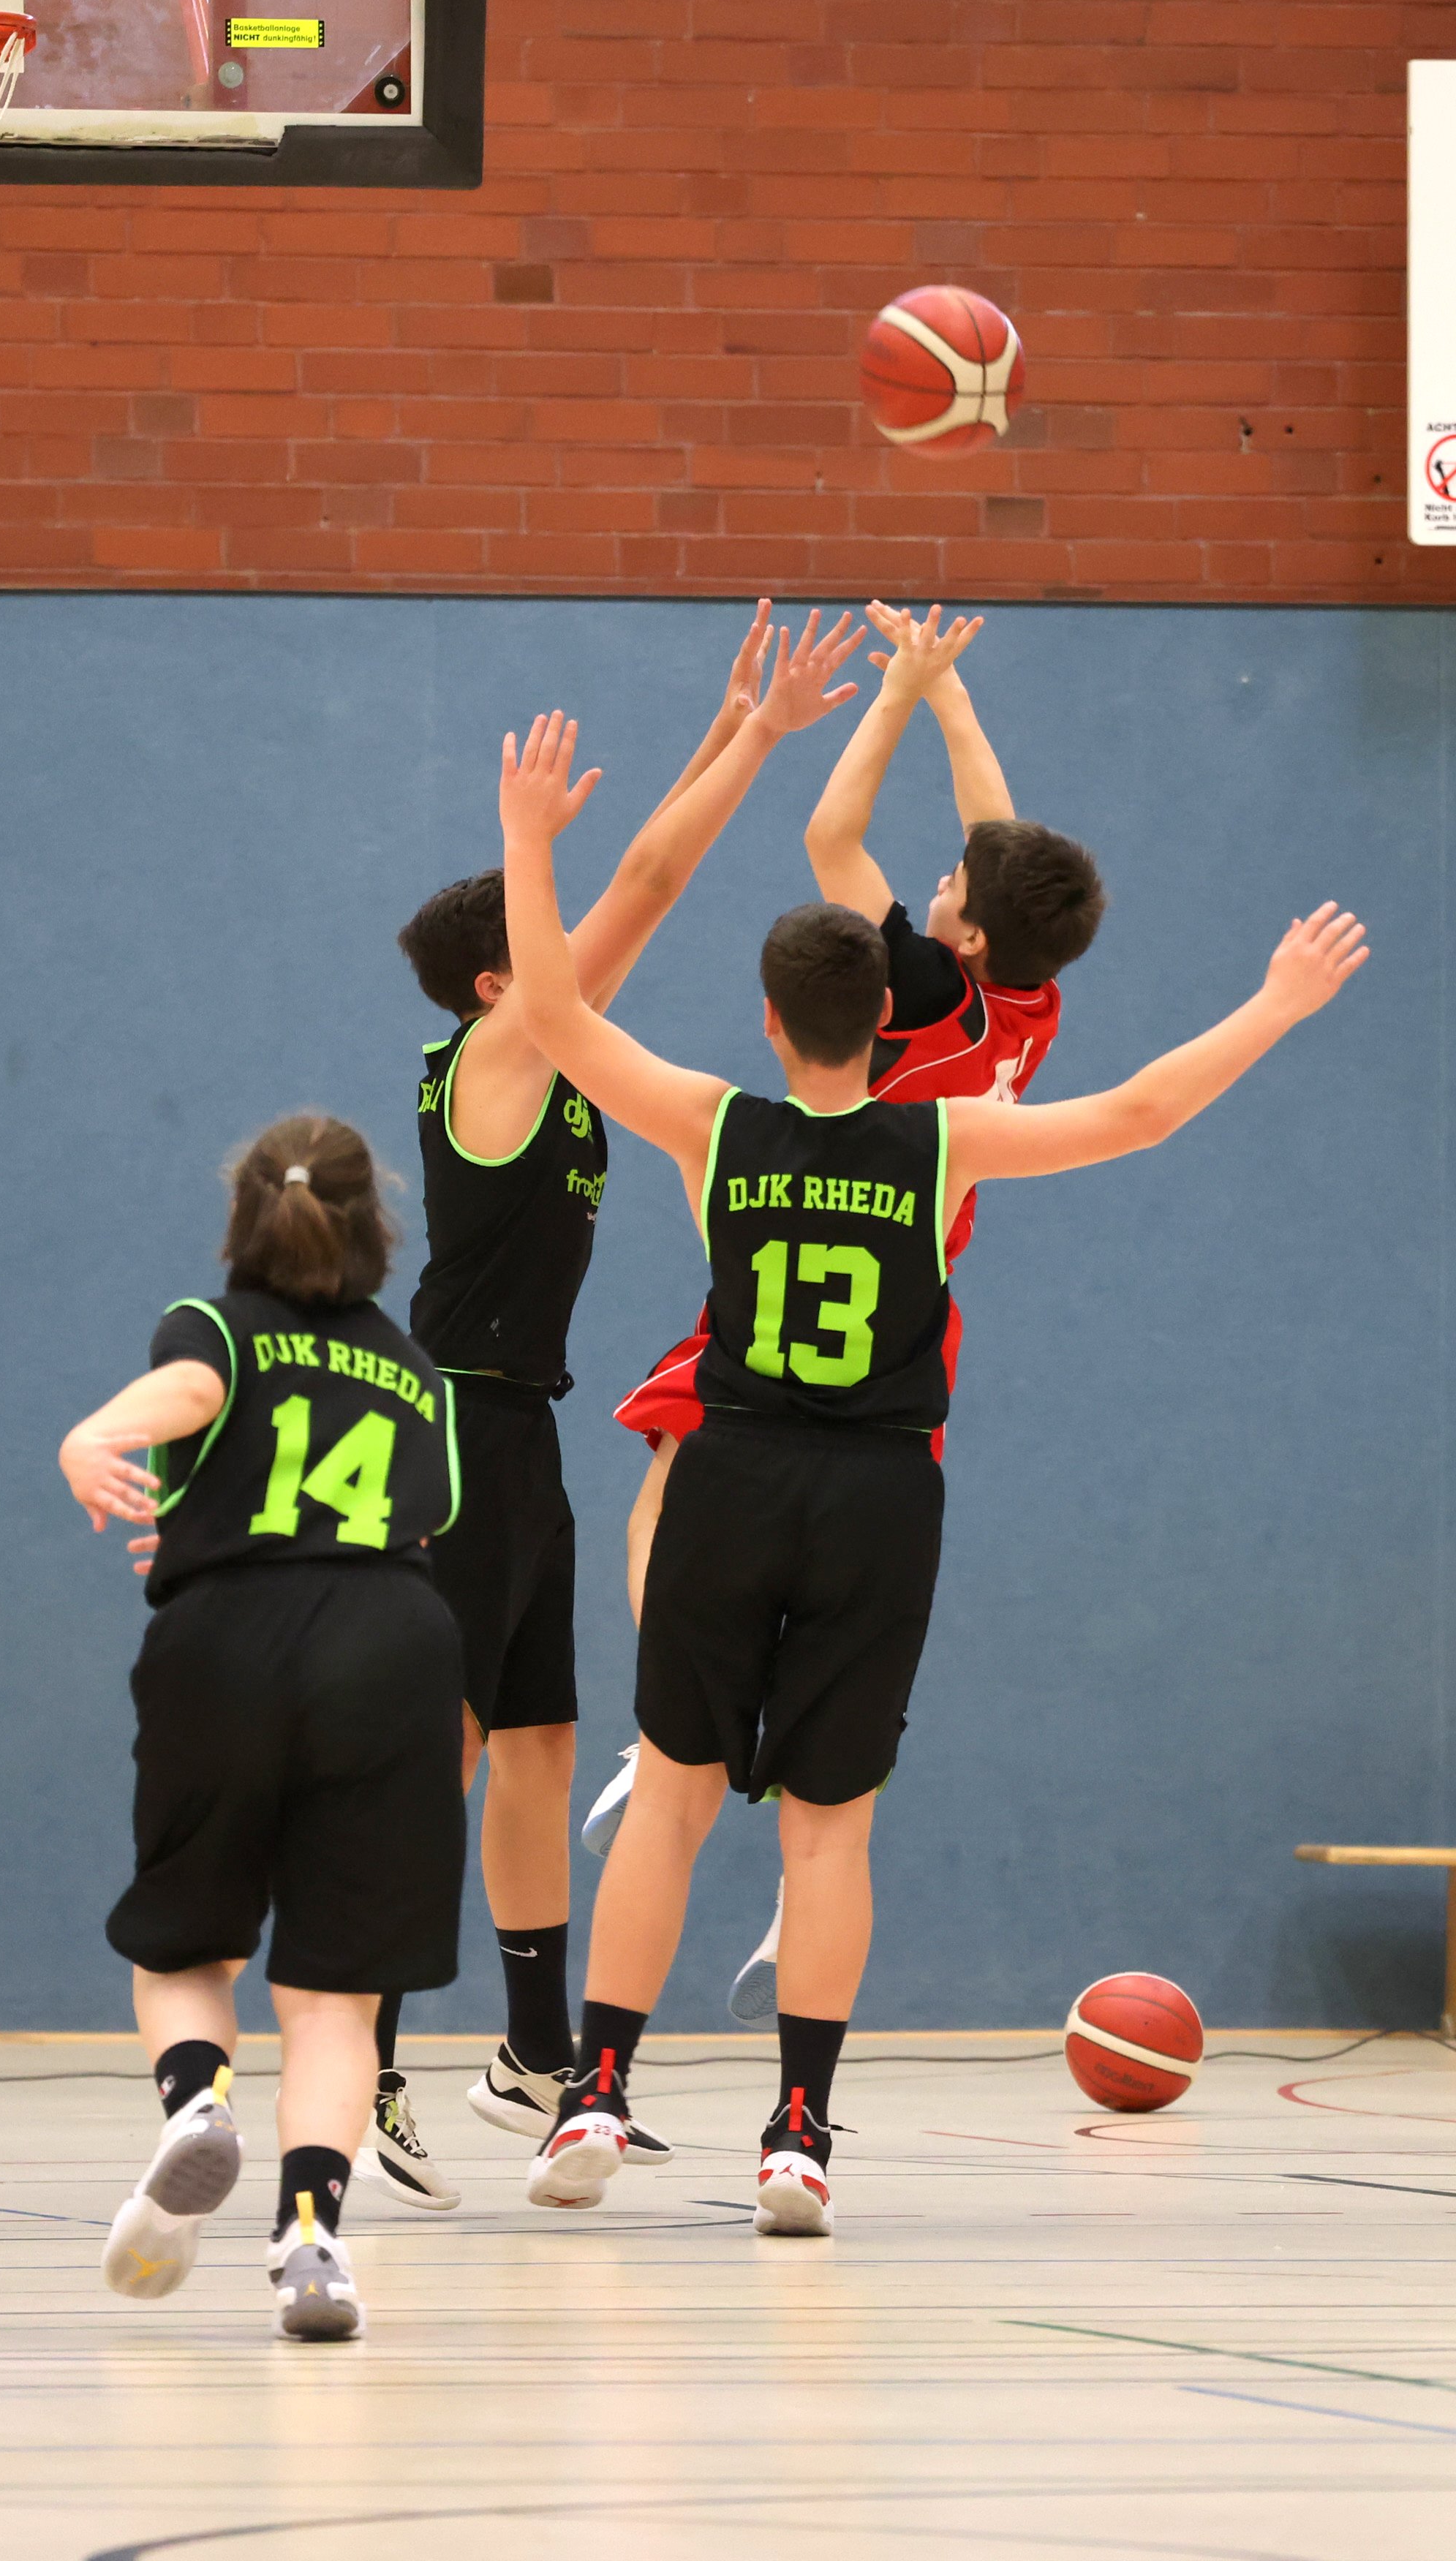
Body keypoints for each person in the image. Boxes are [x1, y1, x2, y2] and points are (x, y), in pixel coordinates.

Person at [495, 707, 1364, 2236]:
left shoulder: (717, 1125)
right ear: (878, 1016)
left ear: (774, 1022)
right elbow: (1144, 1111)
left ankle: (599, 2089)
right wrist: (1277, 1001)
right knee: (829, 1827)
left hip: (732, 1472)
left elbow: (555, 1012)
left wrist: (528, 840)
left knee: (674, 1798)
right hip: (882, 1491)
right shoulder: (948, 1138)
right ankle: (798, 2136)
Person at [374, 606, 863, 2208]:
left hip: (518, 1427)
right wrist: (760, 742)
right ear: (502, 979)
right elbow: (645, 884)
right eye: (545, 923)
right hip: (454, 1426)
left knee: (538, 1739)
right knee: (446, 1742)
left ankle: (531, 2056)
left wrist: (731, 727)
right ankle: (363, 2050)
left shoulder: (544, 1064)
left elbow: (633, 886)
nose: (580, 932)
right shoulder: (495, 1058)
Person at [581, 606, 1106, 2031]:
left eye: (950, 885)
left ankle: (673, 1722)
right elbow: (1001, 845)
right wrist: (951, 694)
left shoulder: (918, 995)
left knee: (671, 1462)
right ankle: (777, 1829)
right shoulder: (1028, 1001)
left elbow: (830, 832)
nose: (939, 876)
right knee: (834, 1687)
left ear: (961, 932)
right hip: (913, 1282)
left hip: (827, 1223)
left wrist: (891, 700)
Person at [59, 1115, 464, 2344]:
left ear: (244, 1218)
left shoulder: (215, 1327)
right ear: (373, 1226)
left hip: (228, 1646)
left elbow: (193, 1396)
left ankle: (197, 2106)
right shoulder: (417, 1369)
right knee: (337, 1996)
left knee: (188, 1945)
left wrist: (95, 1439)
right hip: (393, 1646)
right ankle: (310, 2243)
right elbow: (409, 1518)